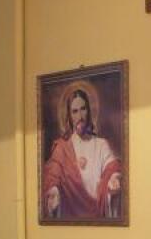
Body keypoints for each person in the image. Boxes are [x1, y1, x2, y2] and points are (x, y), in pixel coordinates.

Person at [42, 87, 122, 219]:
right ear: (69, 115)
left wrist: (114, 178)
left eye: (83, 109)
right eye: (75, 111)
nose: (80, 116)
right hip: (70, 219)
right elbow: (52, 175)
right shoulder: (62, 148)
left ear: (89, 111)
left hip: (97, 217)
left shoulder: (101, 145)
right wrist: (54, 190)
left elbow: (113, 167)